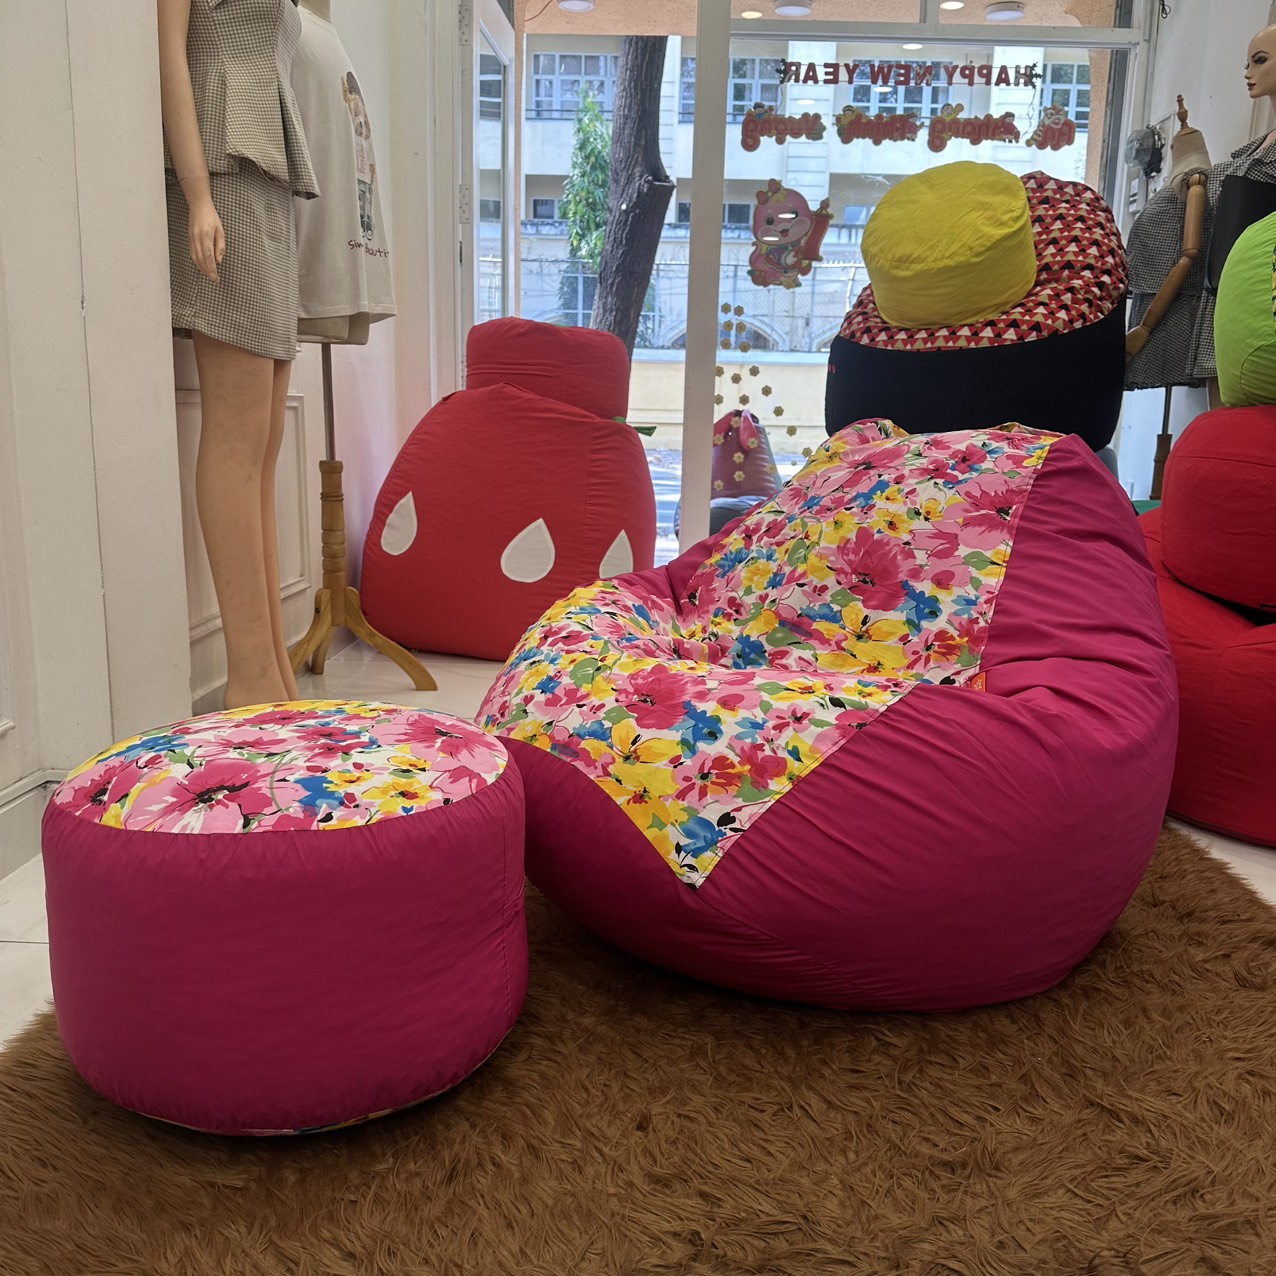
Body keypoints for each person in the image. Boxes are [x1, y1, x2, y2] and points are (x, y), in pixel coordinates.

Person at [157, 0, 319, 709]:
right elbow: (170, 54)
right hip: (219, 175)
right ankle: (250, 679)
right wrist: (196, 193)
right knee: (236, 430)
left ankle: (271, 671)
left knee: (265, 433)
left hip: (265, 178)